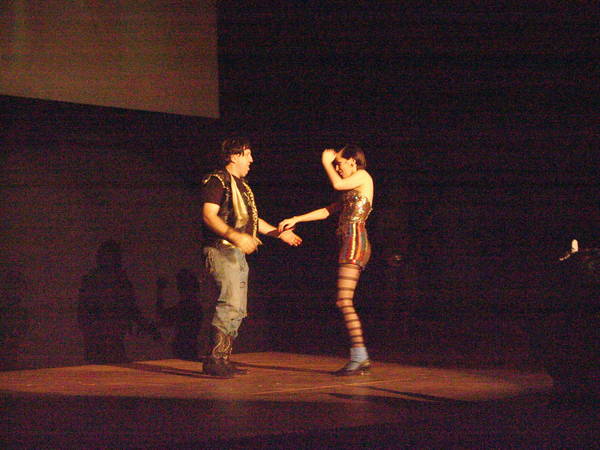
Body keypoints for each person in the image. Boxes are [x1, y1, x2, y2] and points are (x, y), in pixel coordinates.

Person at [201, 137, 302, 377]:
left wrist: (279, 233)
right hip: (222, 249)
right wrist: (236, 236)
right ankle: (214, 359)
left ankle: (223, 358)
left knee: (238, 307)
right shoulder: (217, 180)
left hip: (236, 251)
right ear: (234, 156)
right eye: (247, 154)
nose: (251, 160)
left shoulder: (243, 186)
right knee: (230, 303)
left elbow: (253, 221)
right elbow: (209, 216)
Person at [279, 145, 374, 376]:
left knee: (344, 300)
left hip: (355, 240)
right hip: (348, 240)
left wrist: (325, 163)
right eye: (335, 165)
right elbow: (327, 211)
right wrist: (297, 218)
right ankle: (359, 356)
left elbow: (337, 185)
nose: (337, 168)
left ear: (352, 161)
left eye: (339, 163)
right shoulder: (351, 190)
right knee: (343, 300)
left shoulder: (362, 176)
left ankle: (360, 356)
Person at [77, 240, 160, 364]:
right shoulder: (94, 280)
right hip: (100, 339)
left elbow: (130, 307)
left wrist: (145, 326)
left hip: (112, 337)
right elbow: (84, 311)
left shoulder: (119, 281)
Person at [155, 269, 204, 361]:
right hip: (190, 348)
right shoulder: (194, 306)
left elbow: (164, 318)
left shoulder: (187, 306)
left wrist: (160, 292)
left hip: (184, 348)